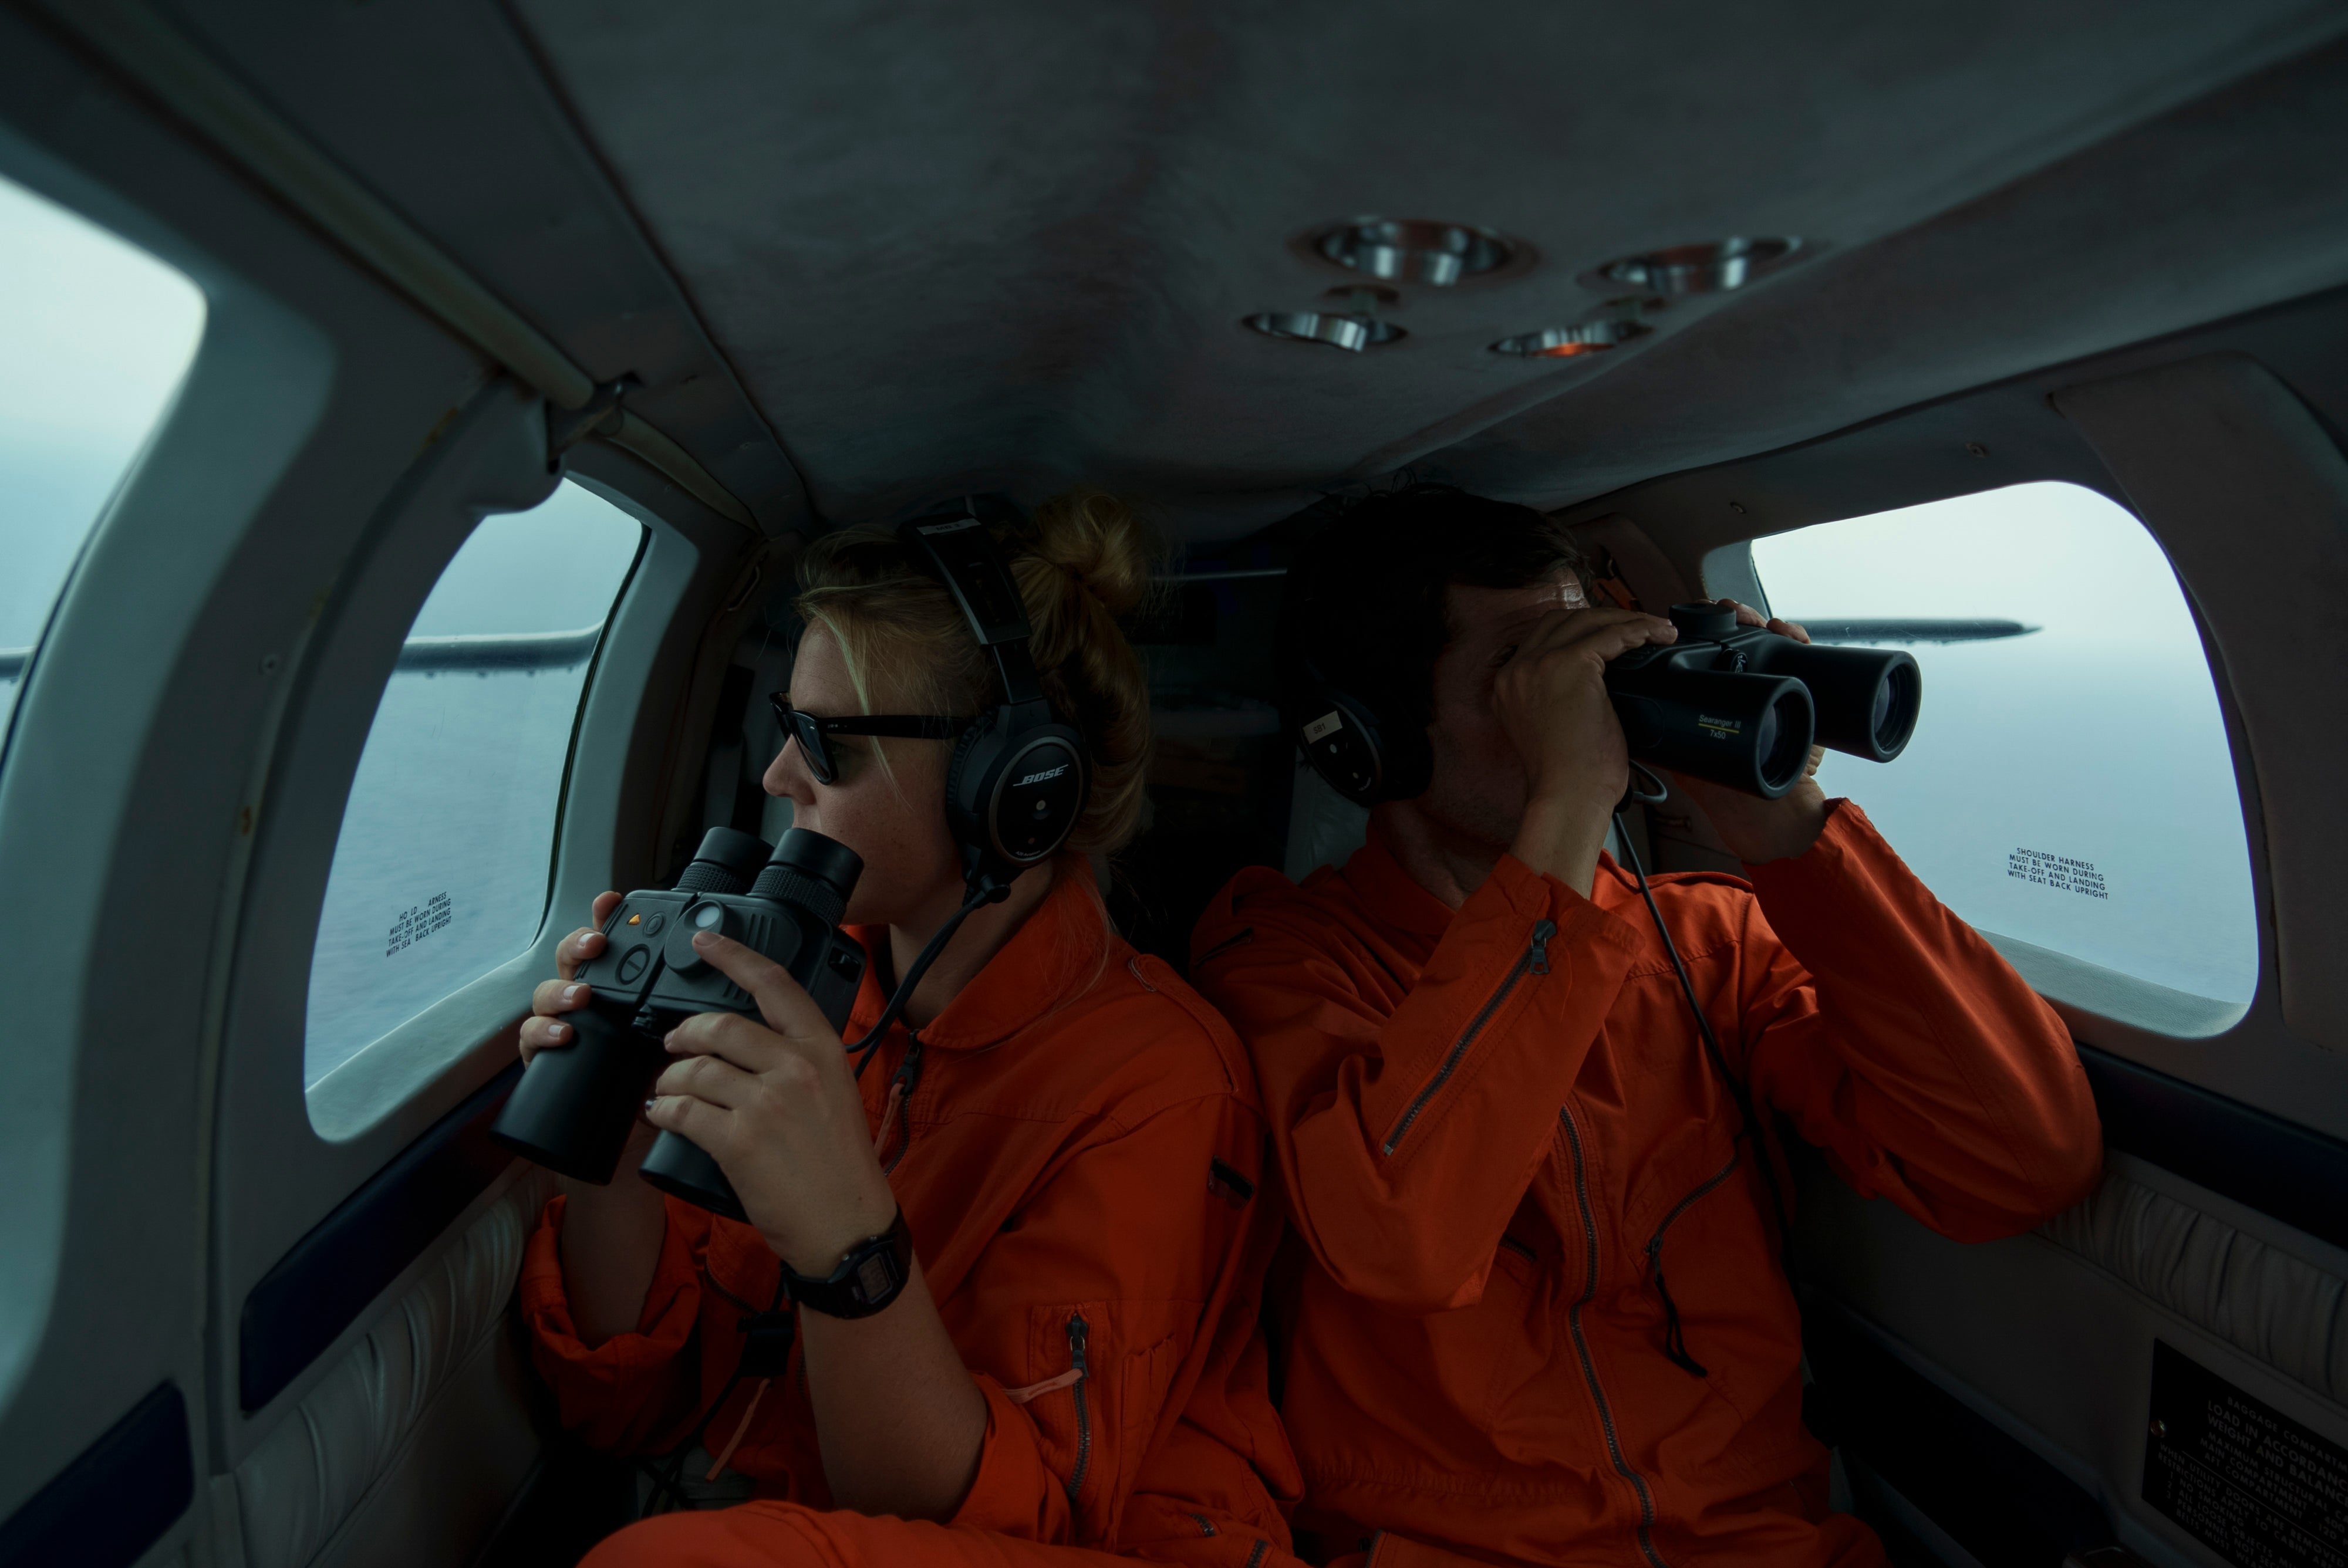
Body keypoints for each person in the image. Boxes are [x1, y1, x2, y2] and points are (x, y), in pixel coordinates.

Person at [1188, 486, 2103, 1568]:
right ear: (1374, 741)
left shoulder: (1704, 946)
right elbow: (1405, 1242)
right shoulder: (1285, 966)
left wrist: (1786, 832)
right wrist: (1570, 801)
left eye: (1591, 665)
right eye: (1533, 677)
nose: (1588, 710)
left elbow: (2017, 1162)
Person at [518, 492, 1301, 1567]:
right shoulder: (804, 986)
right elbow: (631, 1407)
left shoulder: (1160, 1083)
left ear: (1013, 791)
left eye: (824, 744)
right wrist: (604, 1137)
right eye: (782, 728)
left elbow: (990, 1522)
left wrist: (848, 1241)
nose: (776, 777)